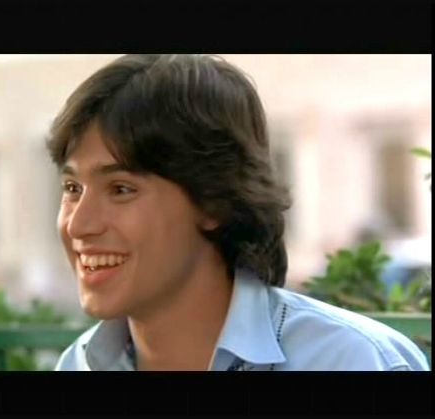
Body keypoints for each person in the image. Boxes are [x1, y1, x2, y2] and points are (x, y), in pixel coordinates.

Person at [46, 54, 429, 371]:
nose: (78, 224)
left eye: (120, 189)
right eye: (72, 189)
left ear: (213, 200)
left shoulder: (353, 362)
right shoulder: (78, 364)